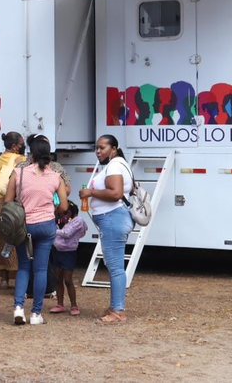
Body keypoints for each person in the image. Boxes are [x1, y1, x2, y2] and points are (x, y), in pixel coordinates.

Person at [4, 138, 67, 325]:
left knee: (24, 267)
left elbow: (8, 200)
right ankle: (36, 313)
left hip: (24, 225)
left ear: (30, 154)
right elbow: (63, 205)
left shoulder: (19, 173)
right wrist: (50, 210)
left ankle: (18, 308)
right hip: (46, 225)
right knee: (40, 269)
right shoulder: (56, 177)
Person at [78, 134, 133, 324]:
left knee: (116, 267)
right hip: (114, 219)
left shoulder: (115, 165)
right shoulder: (119, 164)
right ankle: (114, 306)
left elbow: (116, 193)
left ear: (114, 148)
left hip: (113, 219)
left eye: (102, 148)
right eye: (96, 148)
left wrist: (90, 192)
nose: (98, 151)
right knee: (114, 265)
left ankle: (118, 311)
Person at [0, 132, 25, 288]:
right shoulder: (20, 160)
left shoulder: (0, 158)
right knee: (16, 238)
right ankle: (17, 277)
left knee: (0, 239)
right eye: (22, 144)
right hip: (12, 203)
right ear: (15, 146)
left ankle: (4, 279)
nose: (24, 147)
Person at [49, 201, 87, 316]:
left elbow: (67, 233)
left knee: (68, 280)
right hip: (58, 251)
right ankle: (60, 304)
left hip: (69, 253)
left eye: (62, 215)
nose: (61, 218)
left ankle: (74, 305)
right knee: (58, 278)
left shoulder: (78, 221)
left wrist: (53, 231)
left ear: (69, 213)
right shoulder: (64, 222)